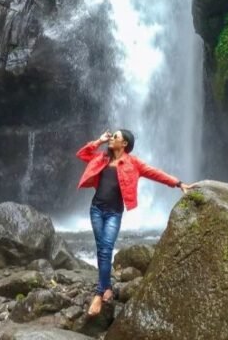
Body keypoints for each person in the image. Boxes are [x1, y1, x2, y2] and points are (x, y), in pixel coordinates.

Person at [76, 128, 195, 317]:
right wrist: (99, 141)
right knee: (101, 249)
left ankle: (99, 294)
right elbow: (82, 154)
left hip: (114, 212)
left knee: (106, 248)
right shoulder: (101, 158)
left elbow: (155, 173)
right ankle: (106, 287)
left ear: (124, 144)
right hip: (96, 210)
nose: (111, 138)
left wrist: (178, 183)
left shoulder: (134, 163)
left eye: (115, 137)